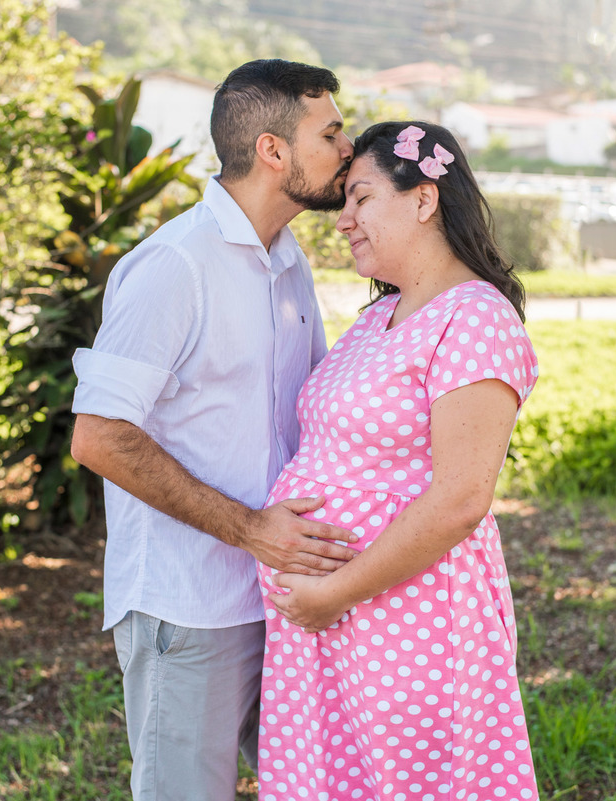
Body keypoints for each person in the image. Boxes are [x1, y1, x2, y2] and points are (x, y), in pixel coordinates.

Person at [68, 59, 362, 801]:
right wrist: (251, 530)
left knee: (313, 787)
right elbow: (99, 436)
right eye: (330, 132)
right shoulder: (173, 266)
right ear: (273, 150)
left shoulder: (289, 264)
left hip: (285, 599)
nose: (348, 148)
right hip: (188, 605)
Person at [256, 121, 541, 801]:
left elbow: (460, 500)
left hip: (405, 623)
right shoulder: (374, 319)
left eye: (359, 198)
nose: (343, 220)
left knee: (414, 783)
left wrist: (333, 592)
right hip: (332, 624)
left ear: (423, 199)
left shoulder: (472, 318)